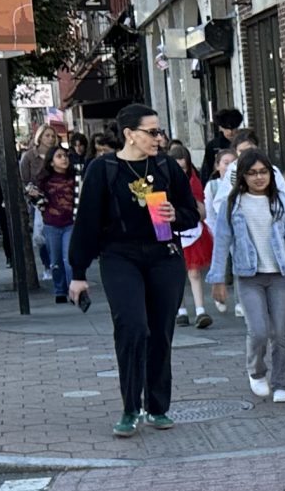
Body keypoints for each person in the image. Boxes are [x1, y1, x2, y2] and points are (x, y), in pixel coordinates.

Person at [69, 104, 201, 436]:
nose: (159, 138)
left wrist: (176, 215)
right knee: (132, 327)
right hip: (120, 257)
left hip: (164, 255)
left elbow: (192, 213)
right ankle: (130, 408)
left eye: (160, 131)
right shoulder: (104, 169)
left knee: (160, 331)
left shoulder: (166, 166)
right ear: (129, 133)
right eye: (152, 132)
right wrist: (78, 273)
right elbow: (86, 222)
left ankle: (157, 406)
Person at [206, 145, 285, 403]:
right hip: (249, 276)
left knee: (280, 333)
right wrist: (217, 279)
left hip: (280, 275)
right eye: (252, 173)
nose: (259, 177)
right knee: (258, 331)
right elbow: (222, 242)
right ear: (242, 176)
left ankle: (282, 382)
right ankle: (257, 371)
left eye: (263, 172)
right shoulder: (233, 204)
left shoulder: (281, 201)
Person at [171, 141, 218, 328]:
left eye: (184, 168)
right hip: (171, 231)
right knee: (176, 273)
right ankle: (181, 310)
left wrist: (191, 202)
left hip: (192, 230)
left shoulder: (193, 182)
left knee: (194, 272)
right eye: (177, 168)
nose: (180, 172)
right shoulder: (163, 182)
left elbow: (202, 211)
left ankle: (200, 310)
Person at [33, 137, 78, 306]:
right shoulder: (45, 181)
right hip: (51, 224)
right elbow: (38, 202)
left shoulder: (75, 178)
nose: (64, 159)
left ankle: (73, 290)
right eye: (59, 156)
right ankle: (60, 290)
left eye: (65, 156)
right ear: (51, 162)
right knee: (56, 261)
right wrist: (34, 196)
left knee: (69, 259)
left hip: (70, 224)